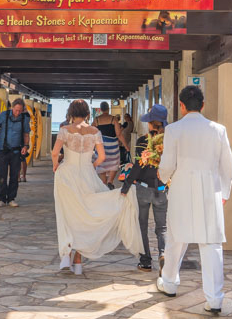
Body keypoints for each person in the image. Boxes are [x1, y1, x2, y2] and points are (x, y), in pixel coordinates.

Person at [156, 85, 232, 314]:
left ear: (181, 106)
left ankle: (169, 283)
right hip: (210, 190)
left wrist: (164, 177)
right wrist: (225, 193)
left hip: (181, 188)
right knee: (211, 244)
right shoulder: (218, 130)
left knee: (175, 238)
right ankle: (215, 299)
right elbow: (227, 166)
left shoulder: (174, 130)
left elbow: (168, 164)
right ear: (203, 105)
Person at [52, 100, 142, 275]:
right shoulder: (95, 132)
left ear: (71, 113)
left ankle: (65, 254)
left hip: (67, 175)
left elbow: (55, 152)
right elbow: (101, 157)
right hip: (87, 174)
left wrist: (55, 166)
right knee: (85, 213)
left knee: (66, 213)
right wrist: (91, 167)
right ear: (87, 114)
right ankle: (77, 261)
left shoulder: (64, 130)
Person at [120, 104, 168, 271]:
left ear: (150, 123)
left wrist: (126, 186)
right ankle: (163, 255)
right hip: (162, 189)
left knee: (142, 226)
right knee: (162, 228)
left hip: (143, 189)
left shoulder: (143, 141)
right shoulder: (169, 141)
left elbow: (137, 167)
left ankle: (146, 261)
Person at [0, 99, 31, 208]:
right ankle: (1, 198)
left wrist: (26, 146)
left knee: (14, 176)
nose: (17, 113)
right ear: (12, 107)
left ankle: (11, 198)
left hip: (16, 151)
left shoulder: (25, 119)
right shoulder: (4, 115)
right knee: (2, 175)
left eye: (20, 111)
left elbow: (26, 134)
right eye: (16, 110)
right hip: (3, 150)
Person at [93, 102, 128, 187]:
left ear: (101, 109)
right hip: (113, 146)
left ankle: (104, 182)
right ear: (108, 108)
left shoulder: (96, 120)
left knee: (102, 163)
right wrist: (126, 146)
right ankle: (110, 182)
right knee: (114, 163)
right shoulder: (113, 119)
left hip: (101, 146)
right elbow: (119, 134)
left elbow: (92, 133)